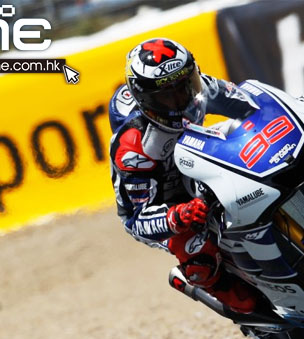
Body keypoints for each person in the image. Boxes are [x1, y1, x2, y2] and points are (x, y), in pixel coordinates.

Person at [107, 38, 261, 313]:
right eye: (167, 96)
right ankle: (225, 293)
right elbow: (136, 220)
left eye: (185, 85)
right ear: (146, 100)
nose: (182, 99)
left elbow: (255, 107)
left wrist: (296, 107)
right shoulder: (134, 145)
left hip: (196, 164)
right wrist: (176, 216)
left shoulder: (200, 89)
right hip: (163, 203)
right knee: (198, 253)